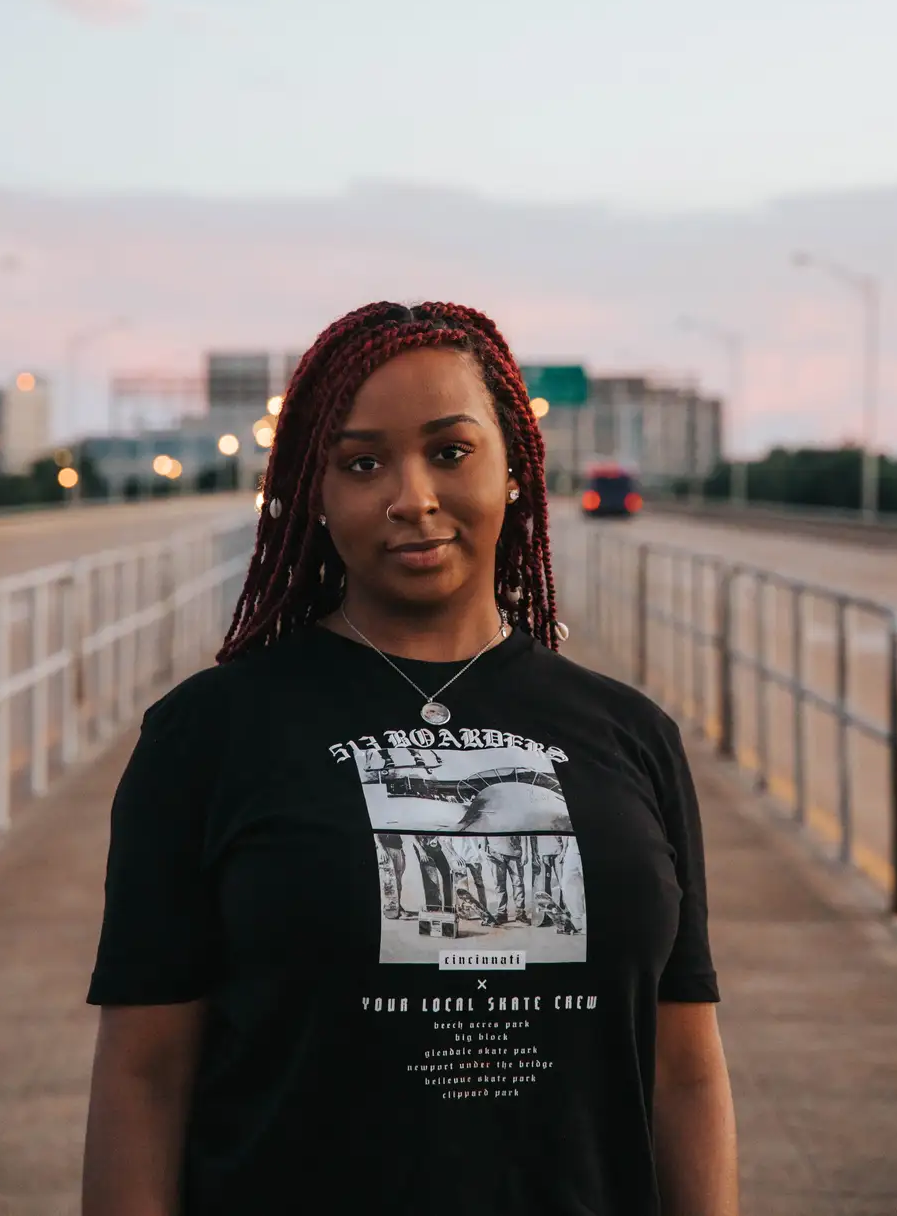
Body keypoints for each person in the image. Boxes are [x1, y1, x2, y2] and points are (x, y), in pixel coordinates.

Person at [83, 300, 739, 1216]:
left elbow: (685, 1074)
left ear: (516, 469)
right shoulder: (208, 735)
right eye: (362, 463)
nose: (412, 497)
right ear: (314, 493)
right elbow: (143, 1081)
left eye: (450, 451)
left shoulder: (629, 735)